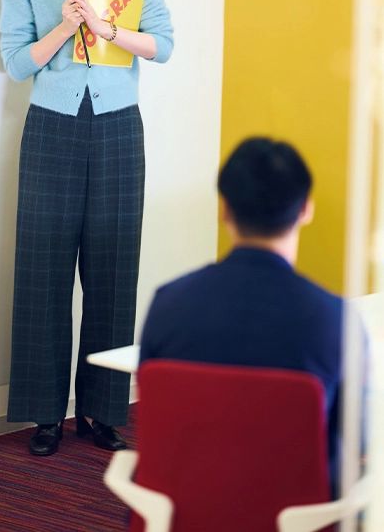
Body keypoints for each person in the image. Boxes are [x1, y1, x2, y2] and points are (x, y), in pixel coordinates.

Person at [0, 0, 173, 456]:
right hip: (52, 128)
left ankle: (101, 412)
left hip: (119, 128)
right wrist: (64, 26)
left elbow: (163, 45)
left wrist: (106, 30)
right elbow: (15, 62)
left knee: (113, 271)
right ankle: (46, 415)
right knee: (43, 271)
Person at [140, 137, 365, 497]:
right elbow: (359, 439)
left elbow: (156, 423)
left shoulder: (168, 304)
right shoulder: (336, 320)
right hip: (296, 514)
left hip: (183, 509)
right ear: (306, 209)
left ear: (224, 209)